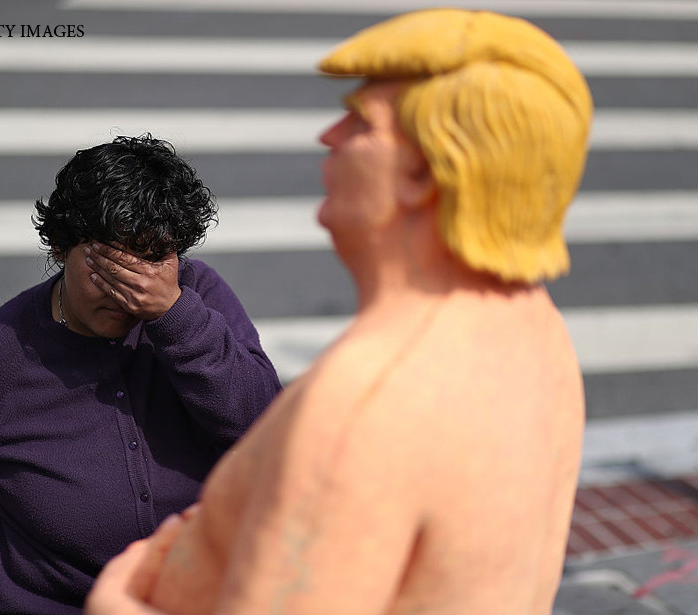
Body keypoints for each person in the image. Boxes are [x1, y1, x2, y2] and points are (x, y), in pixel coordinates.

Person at [85, 8, 592, 615]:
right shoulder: (535, 328)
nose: (330, 136)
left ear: (427, 171)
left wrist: (118, 597)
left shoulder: (361, 402)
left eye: (361, 121)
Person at [0, 134, 282, 614]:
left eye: (152, 261)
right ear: (60, 246)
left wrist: (175, 317)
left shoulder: (195, 300)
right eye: (107, 267)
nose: (130, 292)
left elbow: (264, 431)